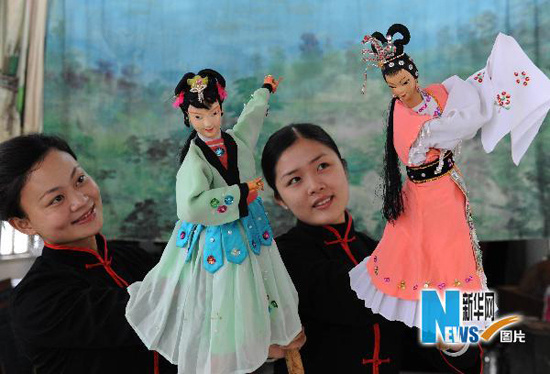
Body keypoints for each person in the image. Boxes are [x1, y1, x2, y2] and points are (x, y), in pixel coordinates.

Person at [350, 23, 550, 331]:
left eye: (404, 82)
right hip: (426, 195)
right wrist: (462, 106)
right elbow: (466, 121)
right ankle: (452, 331)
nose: (401, 92)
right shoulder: (413, 125)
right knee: (433, 257)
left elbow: (458, 96)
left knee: (455, 256)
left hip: (445, 187)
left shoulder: (436, 95)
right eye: (393, 87)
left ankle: (463, 332)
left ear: (413, 74)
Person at [261, 123, 483, 373]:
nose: (314, 185)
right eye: (295, 180)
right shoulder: (279, 258)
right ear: (280, 200)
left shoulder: (373, 249)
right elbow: (350, 299)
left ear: (343, 168)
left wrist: (454, 339)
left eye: (323, 166)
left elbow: (443, 356)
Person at [125, 69, 303, 374]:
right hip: (218, 235)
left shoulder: (235, 140)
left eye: (214, 113)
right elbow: (190, 207)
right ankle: (227, 350)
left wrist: (264, 90)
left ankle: (264, 336)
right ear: (188, 118)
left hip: (251, 230)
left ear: (220, 110)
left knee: (263, 282)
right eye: (198, 117)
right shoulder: (194, 159)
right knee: (222, 292)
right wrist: (240, 193)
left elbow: (251, 118)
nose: (208, 123)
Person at [1, 134, 177, 373]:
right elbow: (151, 312)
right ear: (24, 224)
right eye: (57, 199)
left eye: (80, 179)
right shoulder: (37, 300)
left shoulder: (132, 257)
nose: (81, 200)